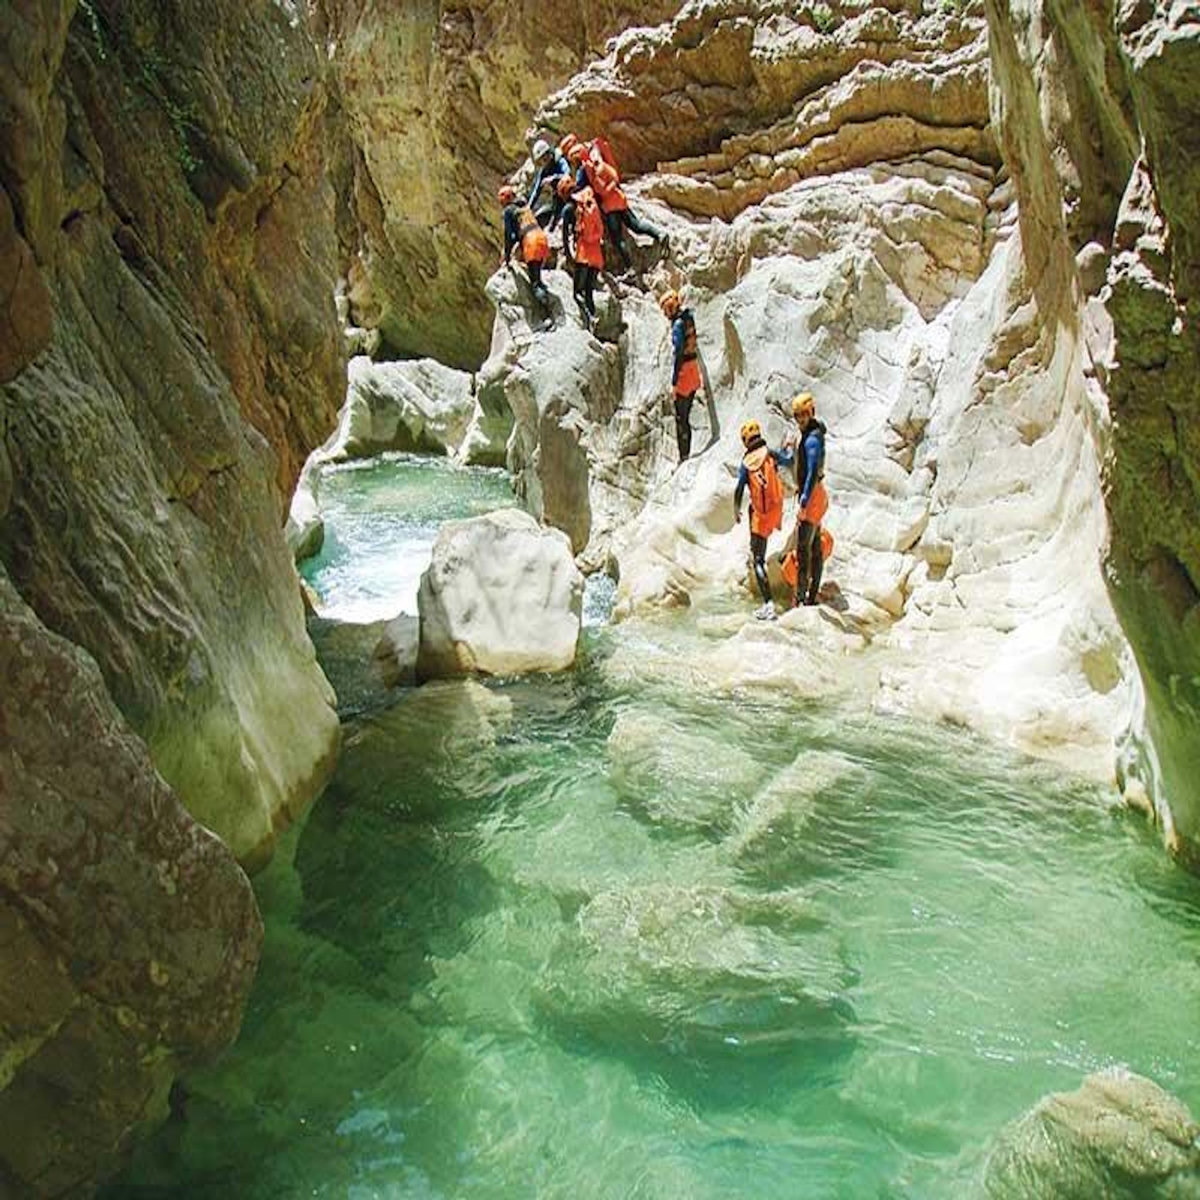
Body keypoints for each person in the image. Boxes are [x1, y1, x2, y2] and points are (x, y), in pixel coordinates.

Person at [568, 141, 667, 272]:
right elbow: (614, 175)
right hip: (619, 199)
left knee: (618, 239)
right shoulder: (599, 164)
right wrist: (610, 189)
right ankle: (659, 234)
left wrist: (603, 192)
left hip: (609, 208)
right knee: (636, 225)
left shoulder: (586, 171)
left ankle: (630, 268)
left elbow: (586, 188)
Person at [734, 419, 792, 620]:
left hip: (760, 515)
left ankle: (768, 604)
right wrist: (789, 447)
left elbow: (739, 489)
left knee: (758, 558)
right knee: (760, 548)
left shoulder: (746, 463)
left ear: (745, 441)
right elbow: (788, 460)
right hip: (776, 510)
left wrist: (736, 510)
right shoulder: (769, 453)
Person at [786, 392, 829, 607]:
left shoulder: (812, 440)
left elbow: (811, 471)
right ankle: (811, 594)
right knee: (814, 546)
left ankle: (803, 598)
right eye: (797, 415)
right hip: (817, 494)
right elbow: (793, 462)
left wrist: (804, 500)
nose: (800, 419)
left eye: (803, 414)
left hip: (811, 497)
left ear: (811, 412)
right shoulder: (811, 433)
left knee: (804, 549)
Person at [499, 184, 552, 327]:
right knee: (537, 275)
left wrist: (507, 258)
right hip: (541, 238)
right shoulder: (523, 207)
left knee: (535, 283)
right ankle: (547, 302)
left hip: (531, 242)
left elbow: (510, 236)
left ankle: (546, 317)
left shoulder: (508, 211)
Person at [659, 290, 701, 462]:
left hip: (684, 373)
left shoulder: (677, 325)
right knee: (686, 415)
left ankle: (684, 456)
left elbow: (678, 354)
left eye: (666, 310)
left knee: (680, 418)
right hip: (694, 369)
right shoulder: (688, 317)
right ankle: (686, 452)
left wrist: (674, 382)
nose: (665, 314)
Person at [565, 179, 605, 331]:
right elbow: (600, 230)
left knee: (577, 292)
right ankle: (593, 317)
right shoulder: (593, 206)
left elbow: (569, 233)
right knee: (589, 290)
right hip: (596, 256)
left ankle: (587, 318)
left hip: (583, 255)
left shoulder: (575, 209)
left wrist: (569, 253)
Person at [527, 137, 569, 228]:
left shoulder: (559, 160)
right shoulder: (544, 170)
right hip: (558, 196)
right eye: (541, 161)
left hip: (569, 192)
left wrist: (553, 178)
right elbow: (537, 190)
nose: (543, 162)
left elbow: (568, 175)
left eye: (544, 159)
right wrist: (528, 208)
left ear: (548, 153)